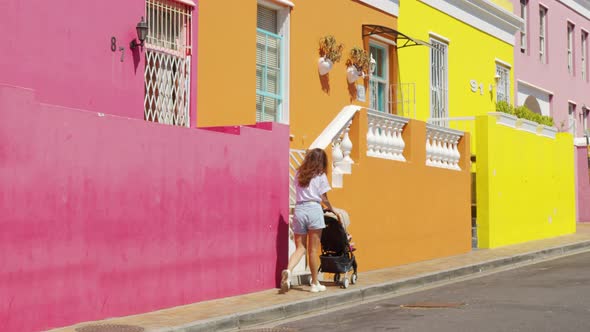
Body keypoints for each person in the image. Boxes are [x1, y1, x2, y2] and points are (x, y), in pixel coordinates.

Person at [281, 148, 335, 293]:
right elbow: (324, 198)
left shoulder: (299, 174)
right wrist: (333, 209)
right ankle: (315, 283)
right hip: (313, 209)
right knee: (313, 250)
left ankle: (288, 270)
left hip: (299, 209)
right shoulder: (320, 175)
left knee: (300, 248)